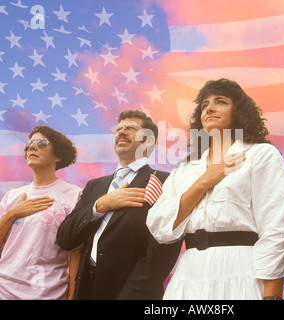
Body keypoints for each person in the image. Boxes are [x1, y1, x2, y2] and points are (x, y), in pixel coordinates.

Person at [146, 78, 284, 300]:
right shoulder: (185, 169)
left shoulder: (261, 155)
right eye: (204, 105)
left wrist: (272, 296)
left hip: (244, 272)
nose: (210, 109)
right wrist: (204, 181)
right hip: (188, 277)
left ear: (239, 111)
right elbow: (158, 226)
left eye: (221, 101)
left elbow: (276, 228)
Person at [56, 109, 182, 300]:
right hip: (86, 290)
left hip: (132, 292)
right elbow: (65, 238)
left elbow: (163, 250)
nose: (121, 132)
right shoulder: (94, 186)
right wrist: (99, 206)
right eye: (119, 128)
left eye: (130, 128)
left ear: (148, 141)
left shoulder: (165, 182)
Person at [0, 125, 82, 300]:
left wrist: (72, 296)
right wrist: (11, 214)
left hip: (49, 294)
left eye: (42, 143)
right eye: (29, 143)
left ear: (58, 155)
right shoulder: (11, 196)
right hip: (4, 291)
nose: (32, 147)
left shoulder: (74, 195)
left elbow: (75, 252)